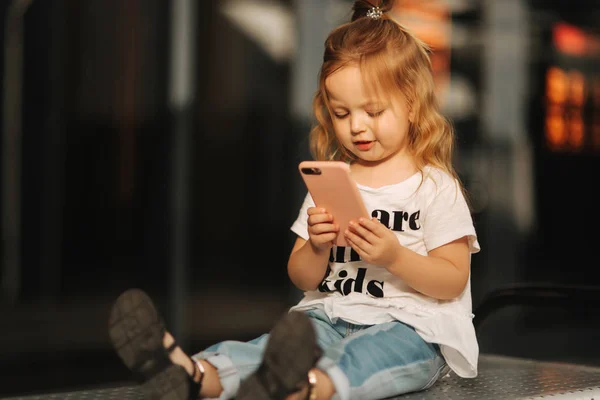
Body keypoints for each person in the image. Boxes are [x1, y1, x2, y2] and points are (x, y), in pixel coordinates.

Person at [108, 1, 480, 399]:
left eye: (373, 111)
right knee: (265, 350)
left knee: (367, 356)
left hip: (411, 330)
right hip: (328, 316)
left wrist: (395, 257)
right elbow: (302, 276)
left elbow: (452, 279)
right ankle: (194, 375)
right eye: (340, 113)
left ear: (411, 102)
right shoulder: (334, 182)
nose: (356, 126)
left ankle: (303, 388)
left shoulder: (434, 187)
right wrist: (318, 246)